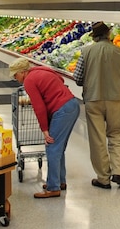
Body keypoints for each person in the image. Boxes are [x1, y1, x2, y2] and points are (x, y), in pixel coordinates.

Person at [73, 22, 120, 189]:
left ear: (94, 36)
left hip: (93, 100)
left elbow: (77, 78)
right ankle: (118, 172)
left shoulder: (86, 52)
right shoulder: (119, 52)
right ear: (109, 35)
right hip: (115, 100)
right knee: (116, 136)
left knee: (97, 139)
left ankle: (103, 178)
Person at [9, 57, 80, 198]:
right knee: (59, 147)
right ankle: (59, 181)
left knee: (52, 147)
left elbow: (39, 107)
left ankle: (53, 188)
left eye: (15, 74)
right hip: (72, 105)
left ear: (22, 72)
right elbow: (61, 80)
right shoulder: (41, 69)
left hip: (62, 110)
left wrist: (45, 130)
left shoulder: (29, 81)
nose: (14, 78)